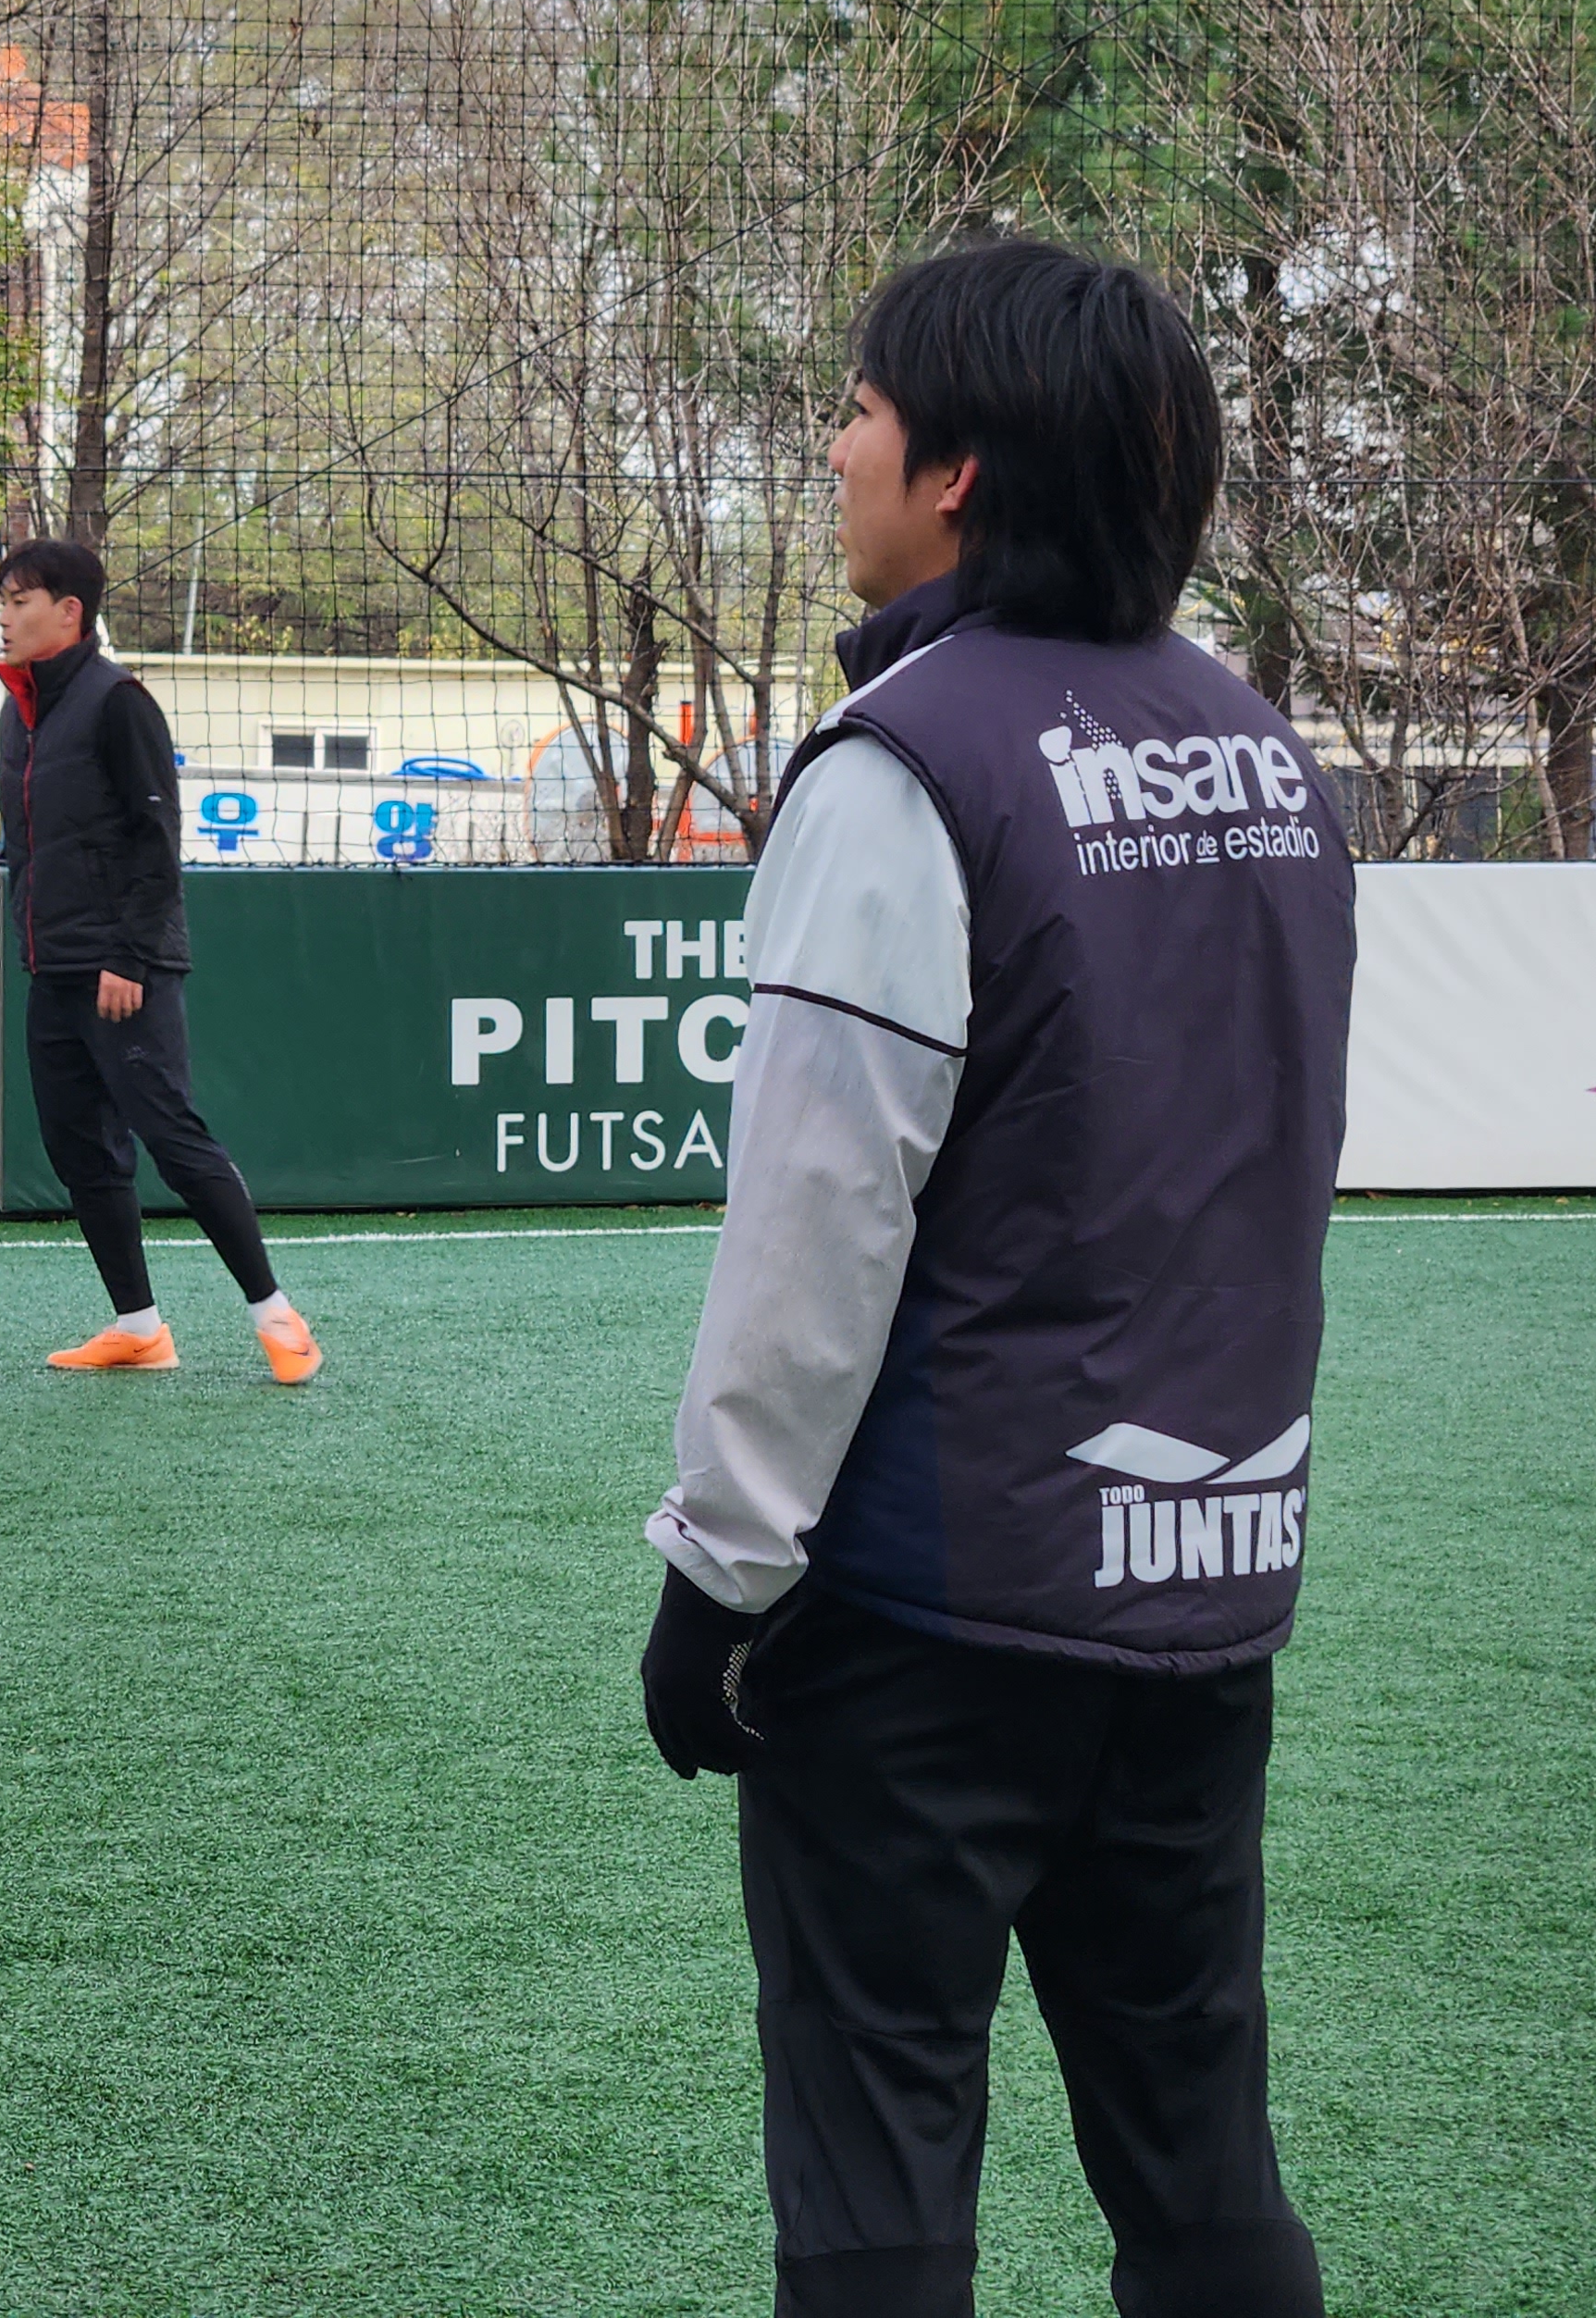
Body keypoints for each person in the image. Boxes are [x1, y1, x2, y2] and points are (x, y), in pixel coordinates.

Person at [637, 239, 1355, 2318]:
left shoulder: (903, 761)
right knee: (1201, 2169)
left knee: (876, 2182)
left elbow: (816, 1218)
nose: (833, 449)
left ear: (955, 472)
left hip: (927, 1612)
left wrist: (715, 1578)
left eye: (859, 410)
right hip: (1205, 1577)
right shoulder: (1264, 751)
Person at [0, 537, 320, 1385]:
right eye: (3, 601)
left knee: (174, 1139)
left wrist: (131, 957)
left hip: (124, 968)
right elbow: (32, 846)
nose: (4, 617)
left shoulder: (118, 702)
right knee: (81, 1153)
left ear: (70, 612)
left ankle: (277, 1316)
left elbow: (153, 838)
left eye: (19, 601)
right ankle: (139, 1330)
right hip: (53, 968)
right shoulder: (17, 711)